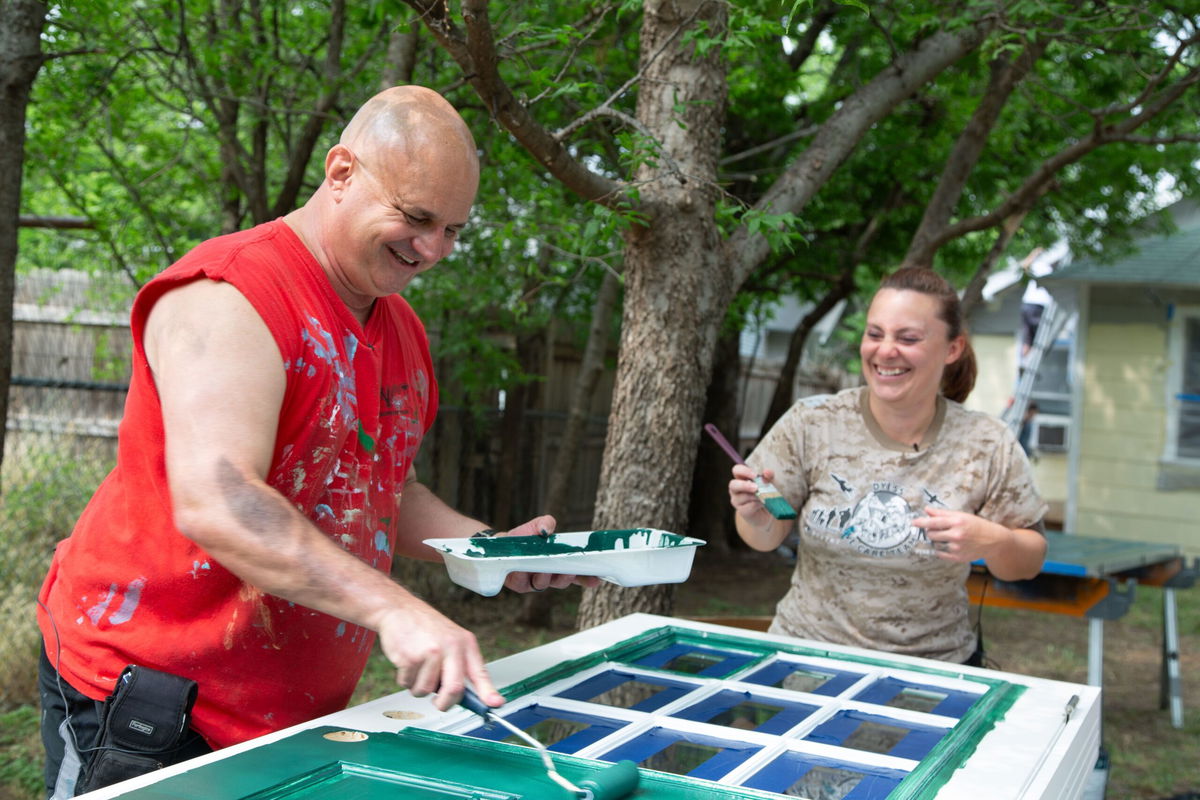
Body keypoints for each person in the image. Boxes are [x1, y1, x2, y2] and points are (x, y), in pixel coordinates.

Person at [36, 85, 593, 798]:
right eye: (416, 217)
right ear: (341, 173)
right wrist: (397, 609)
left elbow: (385, 489)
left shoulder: (401, 329)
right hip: (145, 700)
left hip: (288, 717)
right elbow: (216, 500)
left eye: (453, 229)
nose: (433, 250)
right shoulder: (230, 292)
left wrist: (490, 552)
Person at [727, 267, 1047, 666]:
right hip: (807, 663)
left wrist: (994, 541)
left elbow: (1028, 562)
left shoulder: (986, 442)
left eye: (908, 338)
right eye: (875, 334)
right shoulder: (811, 423)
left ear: (952, 349)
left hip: (932, 675)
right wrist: (756, 516)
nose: (885, 350)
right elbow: (766, 537)